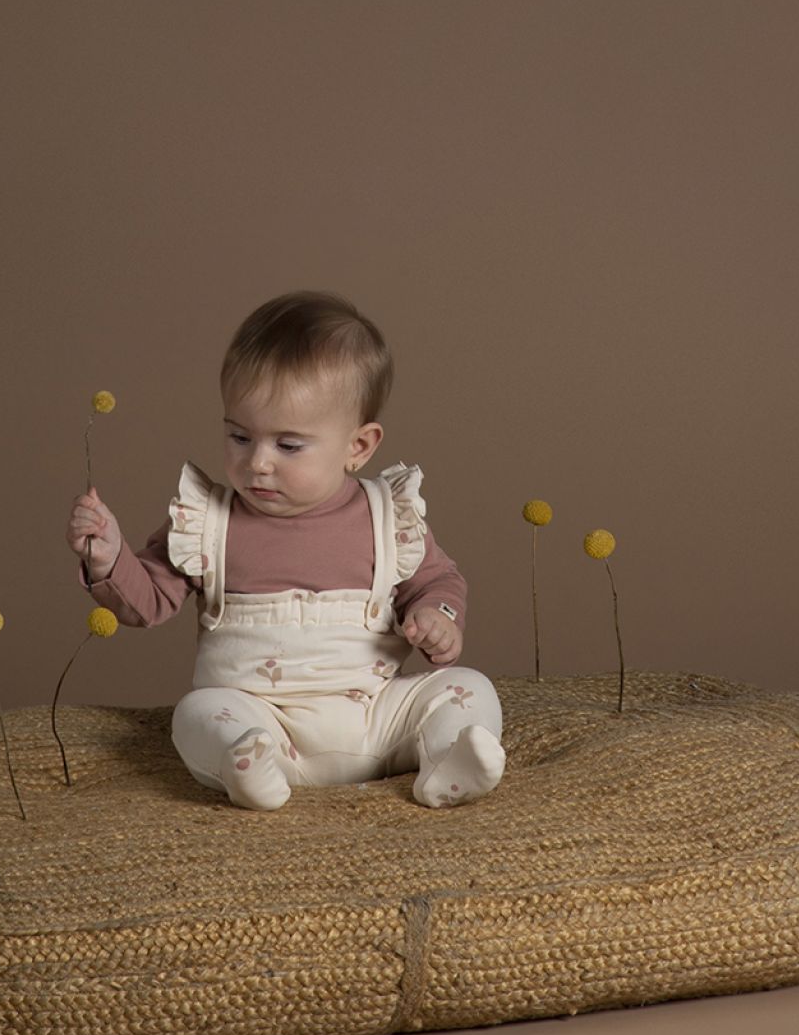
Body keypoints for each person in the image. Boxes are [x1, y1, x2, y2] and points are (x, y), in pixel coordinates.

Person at [65, 289, 506, 812]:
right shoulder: (209, 522)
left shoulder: (388, 517)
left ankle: (449, 758)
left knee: (467, 687)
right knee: (197, 712)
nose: (258, 463)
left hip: (377, 721)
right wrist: (109, 558)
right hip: (261, 719)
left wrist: (438, 617)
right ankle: (247, 765)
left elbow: (437, 580)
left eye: (288, 445)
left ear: (358, 446)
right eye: (240, 437)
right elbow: (148, 603)